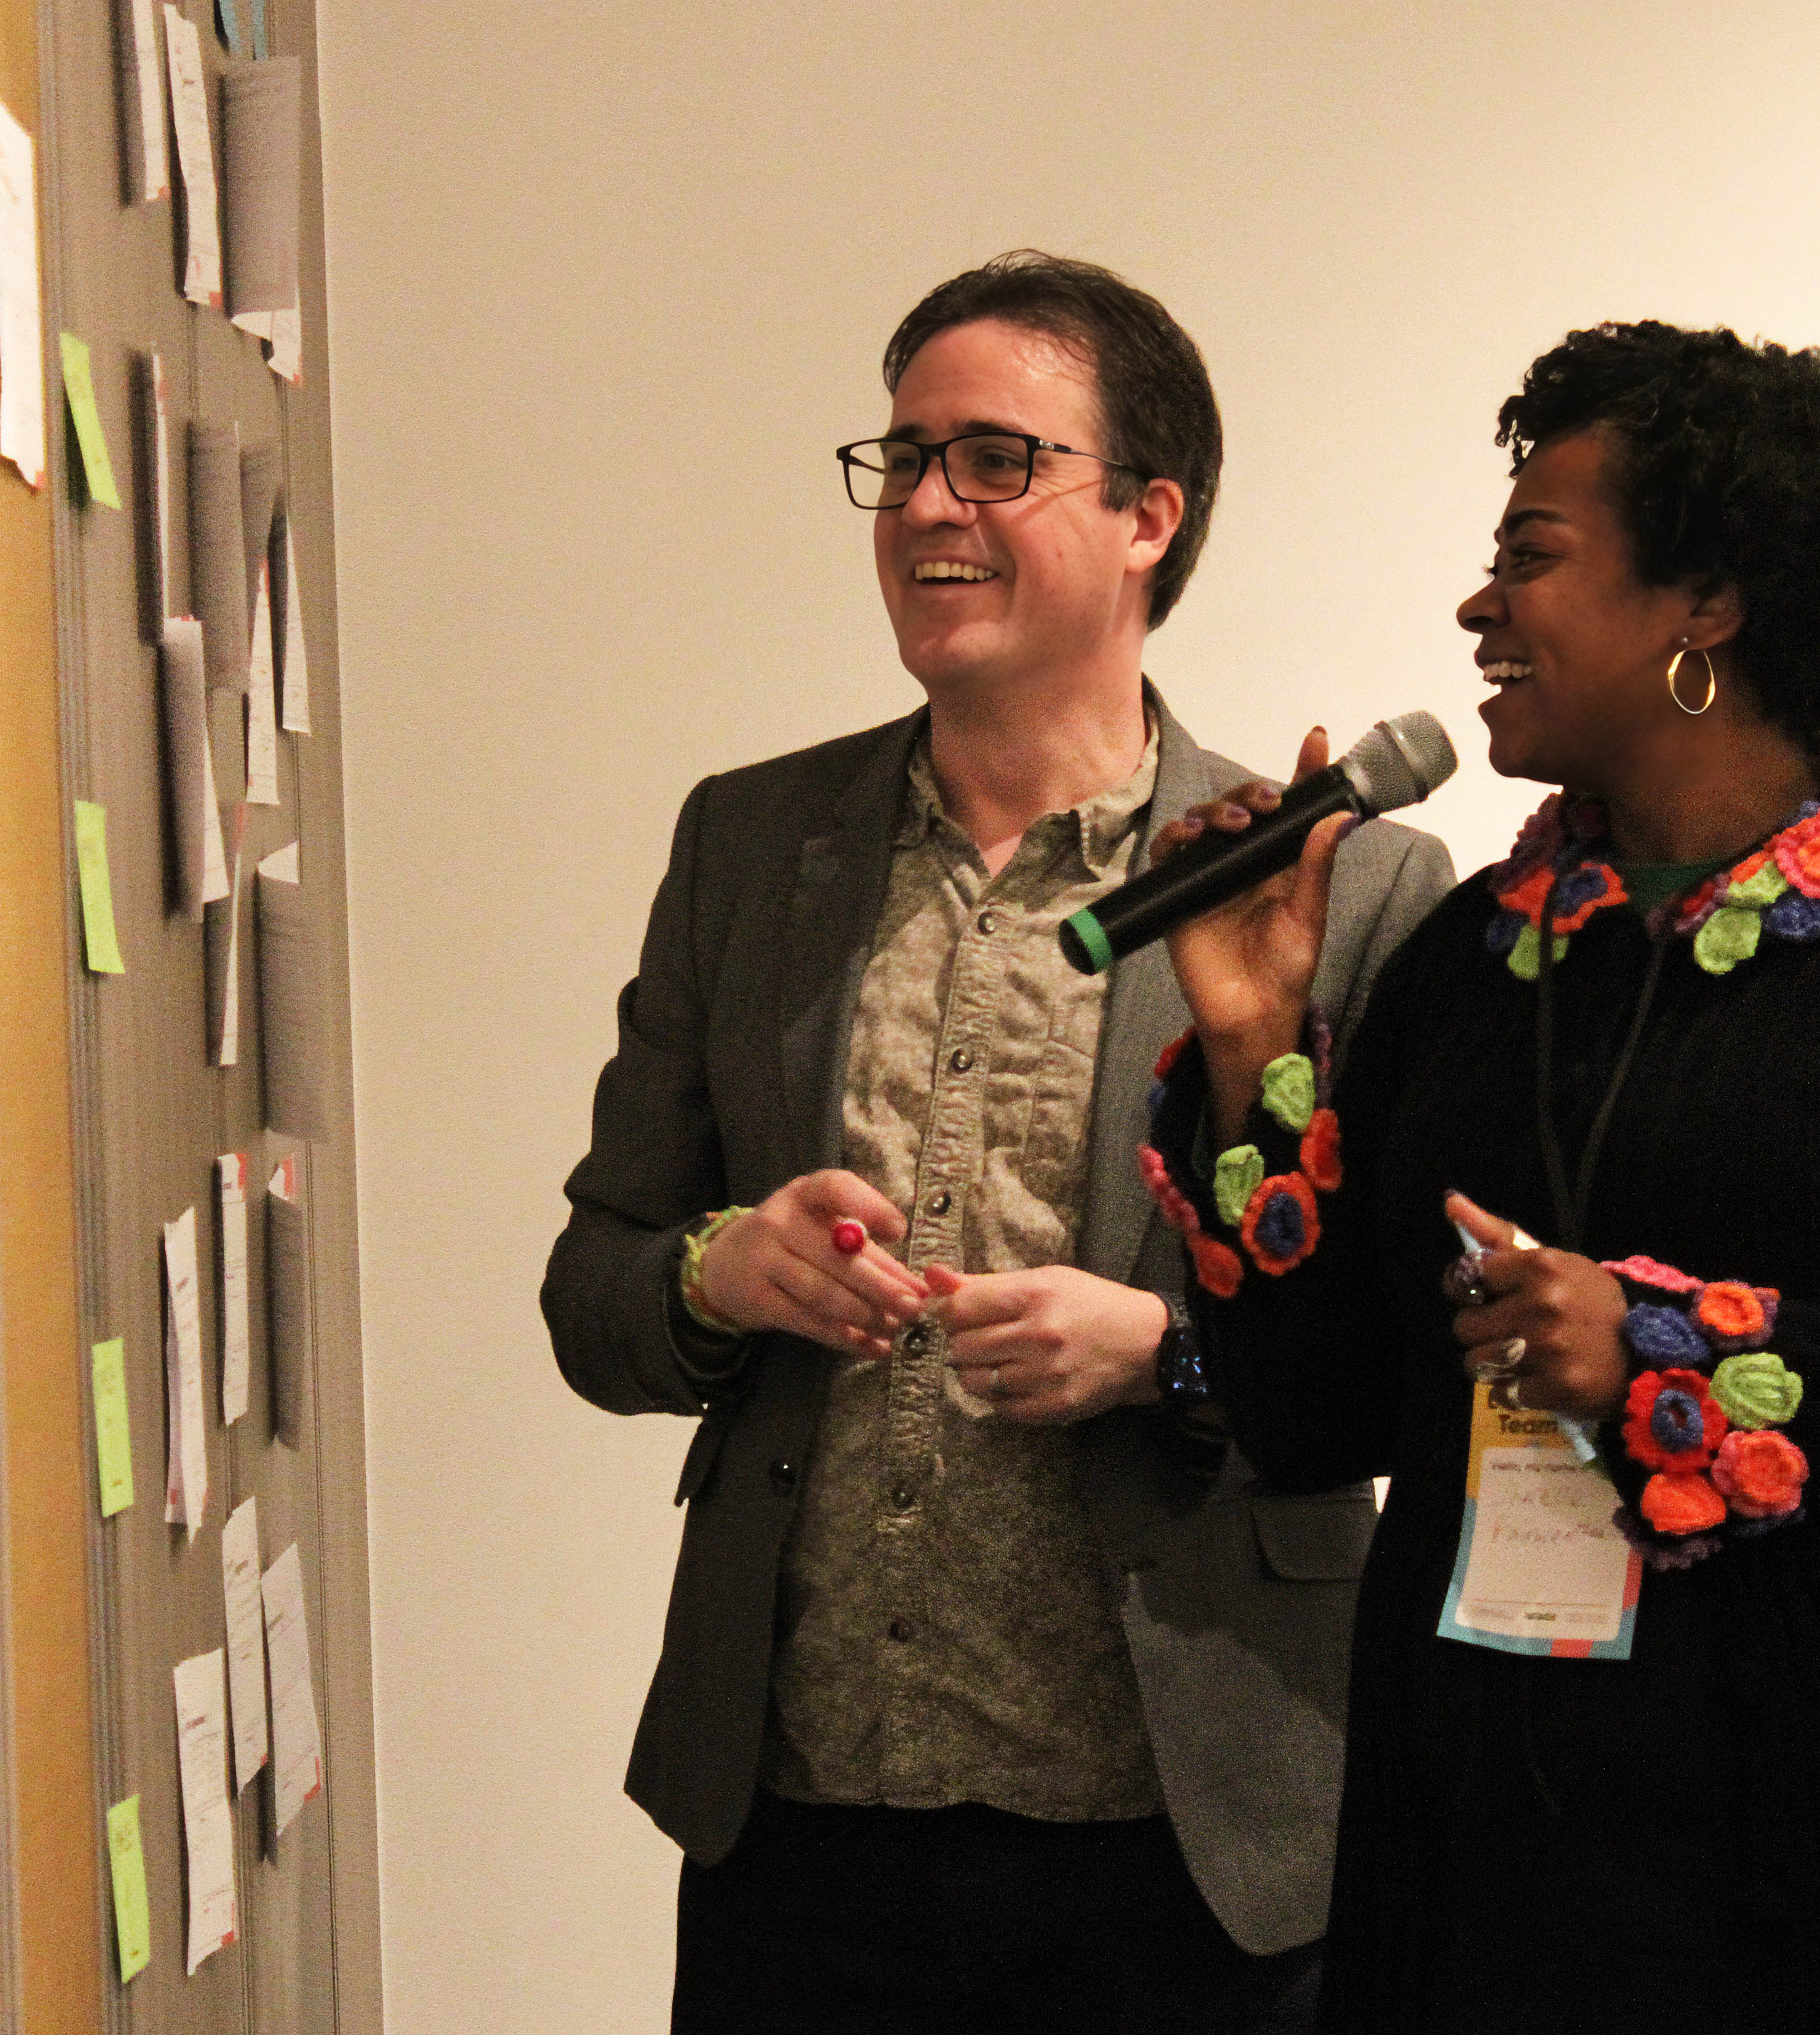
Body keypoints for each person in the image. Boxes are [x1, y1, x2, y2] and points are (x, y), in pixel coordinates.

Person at [1143, 320, 1820, 2032]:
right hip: (1487, 1896)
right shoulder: (1465, 967)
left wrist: (1661, 1350)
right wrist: (1261, 1040)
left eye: (1530, 557)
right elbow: (1312, 1420)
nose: (1479, 609)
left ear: (1704, 604)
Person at [541, 250, 1454, 2034]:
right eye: (902, 459)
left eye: (994, 460)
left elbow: (1428, 1355)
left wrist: (1173, 1359)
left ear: (1146, 517)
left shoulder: (1346, 889)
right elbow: (596, 1288)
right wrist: (724, 1271)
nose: (927, 507)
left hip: (1190, 1835)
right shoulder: (752, 847)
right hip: (800, 1826)